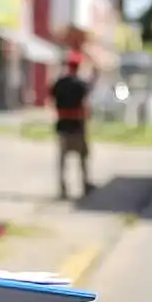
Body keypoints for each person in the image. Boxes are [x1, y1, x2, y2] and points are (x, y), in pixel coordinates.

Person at [50, 51, 94, 199]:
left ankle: (63, 189)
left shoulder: (59, 83)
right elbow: (86, 103)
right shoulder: (81, 85)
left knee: (63, 160)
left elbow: (52, 97)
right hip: (78, 125)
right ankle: (85, 184)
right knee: (83, 158)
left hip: (63, 125)